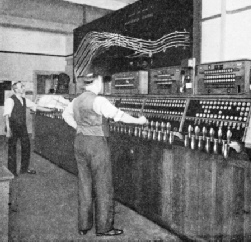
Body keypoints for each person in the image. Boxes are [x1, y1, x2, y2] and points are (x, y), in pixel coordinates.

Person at [62, 73, 147, 237]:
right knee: (103, 185)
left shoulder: (76, 100)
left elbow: (66, 115)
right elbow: (119, 116)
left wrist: (79, 128)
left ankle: (84, 226)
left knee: (84, 184)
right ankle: (104, 227)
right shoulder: (99, 100)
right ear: (96, 82)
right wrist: (139, 121)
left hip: (79, 142)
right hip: (96, 144)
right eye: (101, 81)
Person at [3, 81, 54, 176]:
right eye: (21, 86)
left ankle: (24, 169)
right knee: (12, 149)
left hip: (22, 127)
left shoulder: (24, 100)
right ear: (16, 89)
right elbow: (6, 115)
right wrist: (8, 130)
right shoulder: (10, 100)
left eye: (23, 86)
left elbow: (36, 106)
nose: (23, 88)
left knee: (26, 146)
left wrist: (50, 110)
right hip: (13, 127)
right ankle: (12, 171)